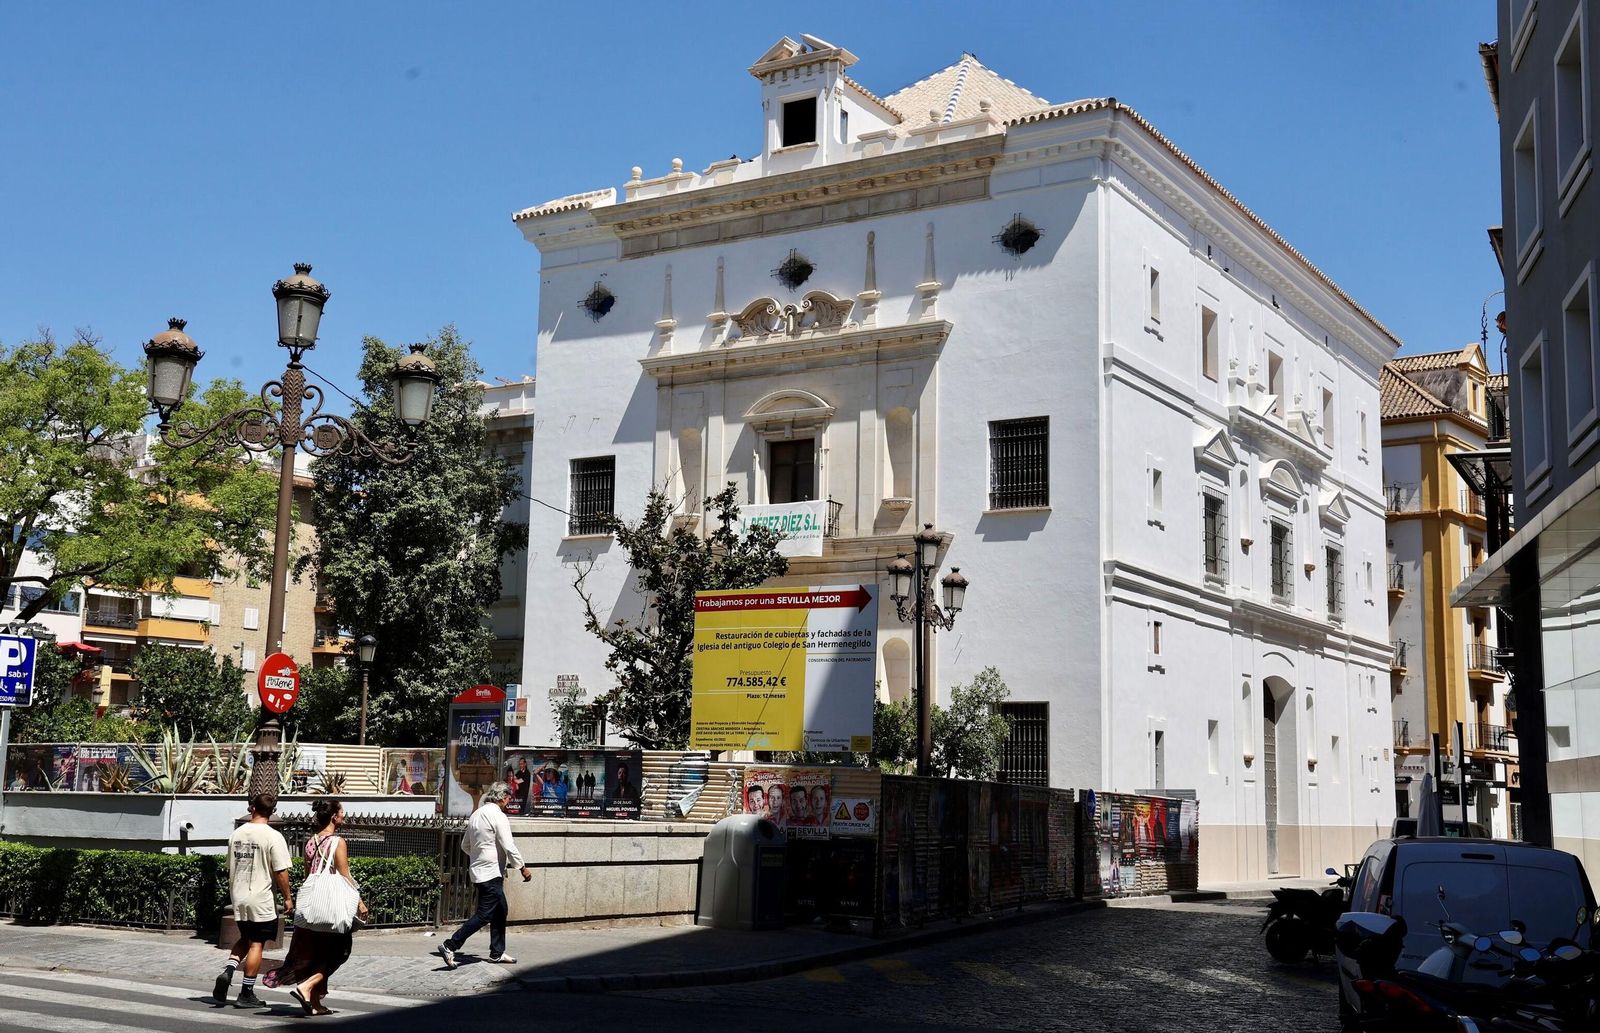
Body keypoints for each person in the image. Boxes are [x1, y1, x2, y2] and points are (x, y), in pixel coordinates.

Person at [264, 798, 368, 1016]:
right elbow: (344, 874)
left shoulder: (311, 841)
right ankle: (306, 986)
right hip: (331, 908)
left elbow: (308, 874)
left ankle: (316, 1004)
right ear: (334, 817)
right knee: (339, 952)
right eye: (342, 812)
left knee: (318, 954)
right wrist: (359, 901)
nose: (344, 816)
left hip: (312, 908)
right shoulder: (338, 842)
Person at [438, 782, 532, 969]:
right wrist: (522, 867)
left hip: (478, 871)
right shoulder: (499, 816)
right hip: (491, 873)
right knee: (483, 915)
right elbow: (508, 845)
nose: (508, 801)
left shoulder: (476, 814)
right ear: (503, 797)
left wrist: (479, 855)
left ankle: (497, 952)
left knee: (500, 910)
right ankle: (450, 945)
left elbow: (465, 845)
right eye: (508, 797)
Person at [214, 793, 293, 1008]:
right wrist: (288, 897)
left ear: (252, 809)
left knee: (246, 937)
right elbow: (280, 870)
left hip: (238, 895)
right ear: (272, 811)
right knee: (257, 943)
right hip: (261, 896)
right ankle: (246, 992)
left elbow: (230, 864)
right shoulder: (273, 836)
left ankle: (229, 971)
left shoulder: (237, 834)